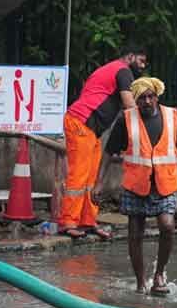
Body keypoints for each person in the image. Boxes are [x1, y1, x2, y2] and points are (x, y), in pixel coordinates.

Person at [95, 77, 177, 294]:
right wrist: (98, 183)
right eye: (142, 98)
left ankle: (159, 274)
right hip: (136, 185)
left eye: (151, 96)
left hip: (164, 184)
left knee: (167, 225)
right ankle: (140, 281)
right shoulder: (126, 120)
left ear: (157, 97)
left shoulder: (172, 117)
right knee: (134, 234)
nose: (147, 101)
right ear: (136, 101)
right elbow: (109, 152)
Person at [57, 44, 147, 239]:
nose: (142, 66)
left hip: (88, 128)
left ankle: (87, 222)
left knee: (90, 179)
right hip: (81, 123)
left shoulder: (111, 69)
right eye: (141, 60)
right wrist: (146, 126)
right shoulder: (122, 70)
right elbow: (129, 104)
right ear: (130, 56)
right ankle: (67, 222)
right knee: (79, 177)